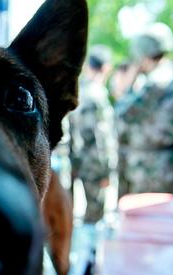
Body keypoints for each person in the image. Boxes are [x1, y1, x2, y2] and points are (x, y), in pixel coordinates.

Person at [115, 23, 173, 195]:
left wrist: (130, 83)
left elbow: (123, 113)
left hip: (152, 169)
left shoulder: (156, 82)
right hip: (168, 165)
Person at [68, 45, 116, 223]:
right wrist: (108, 170)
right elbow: (102, 138)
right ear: (106, 68)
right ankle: (91, 250)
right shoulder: (98, 95)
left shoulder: (78, 91)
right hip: (95, 164)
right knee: (95, 215)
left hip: (76, 161)